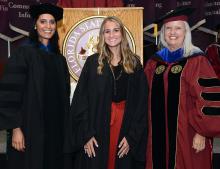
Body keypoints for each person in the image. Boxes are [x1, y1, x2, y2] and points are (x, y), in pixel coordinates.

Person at [66, 16, 148, 169]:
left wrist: (132, 137)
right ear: (102, 36)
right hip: (97, 125)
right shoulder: (93, 63)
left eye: (116, 30)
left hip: (125, 125)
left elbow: (141, 104)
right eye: (107, 31)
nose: (112, 35)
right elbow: (80, 101)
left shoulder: (134, 63)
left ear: (122, 34)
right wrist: (86, 134)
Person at [144, 6, 220, 169]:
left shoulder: (197, 60)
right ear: (163, 33)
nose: (172, 32)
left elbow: (209, 99)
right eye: (168, 28)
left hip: (189, 134)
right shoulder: (154, 63)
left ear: (186, 32)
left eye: (178, 28)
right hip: (157, 137)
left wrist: (202, 132)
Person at [0, 3, 70, 169]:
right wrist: (16, 128)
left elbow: (64, 97)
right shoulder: (23, 53)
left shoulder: (59, 59)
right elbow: (10, 94)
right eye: (43, 22)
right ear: (35, 24)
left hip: (56, 129)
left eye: (52, 22)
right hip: (30, 128)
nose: (48, 26)